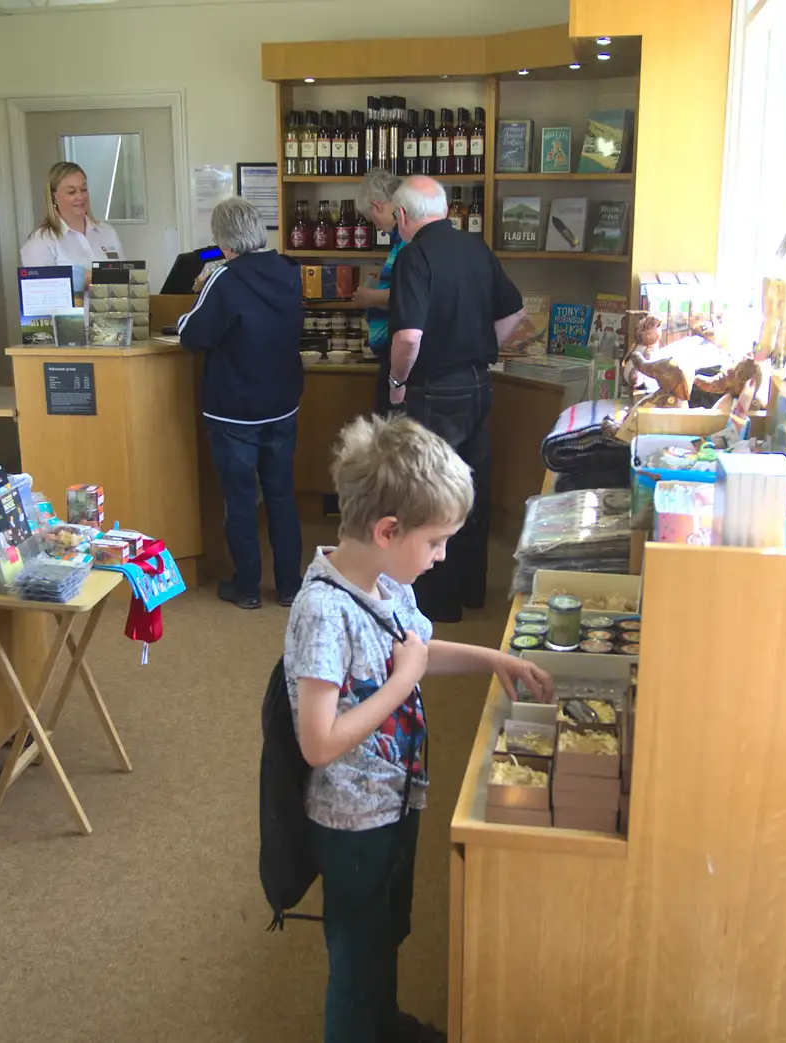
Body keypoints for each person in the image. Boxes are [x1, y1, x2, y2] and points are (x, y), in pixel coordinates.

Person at [284, 414, 553, 1043]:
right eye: (435, 543)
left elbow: (419, 652)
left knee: (387, 931)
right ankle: (359, 1026)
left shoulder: (386, 580)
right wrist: (403, 681)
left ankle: (381, 1022)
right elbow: (318, 742)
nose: (442, 557)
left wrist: (494, 658)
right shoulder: (324, 611)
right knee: (357, 955)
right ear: (387, 530)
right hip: (351, 817)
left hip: (396, 795)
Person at [384, 175, 526, 623]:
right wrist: (483, 345)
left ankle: (439, 602)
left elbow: (408, 336)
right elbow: (515, 311)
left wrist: (396, 380)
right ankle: (473, 589)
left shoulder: (413, 257)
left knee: (430, 493)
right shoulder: (477, 249)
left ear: (403, 216)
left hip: (433, 390)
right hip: (479, 385)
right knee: (471, 490)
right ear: (444, 210)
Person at [177, 196, 304, 609]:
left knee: (240, 498)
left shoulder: (225, 278)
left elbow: (192, 334)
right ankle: (289, 586)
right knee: (282, 495)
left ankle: (247, 587)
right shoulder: (288, 271)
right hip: (282, 402)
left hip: (234, 409)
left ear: (225, 243)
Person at [349, 168, 404, 415]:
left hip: (400, 361)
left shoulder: (407, 241)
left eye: (372, 219)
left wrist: (370, 297)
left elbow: (411, 296)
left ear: (376, 206)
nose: (378, 228)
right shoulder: (400, 240)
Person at [19, 162, 125, 272]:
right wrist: (85, 280)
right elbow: (41, 287)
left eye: (84, 190)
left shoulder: (107, 232)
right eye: (71, 192)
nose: (80, 196)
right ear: (54, 197)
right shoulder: (41, 241)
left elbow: (123, 276)